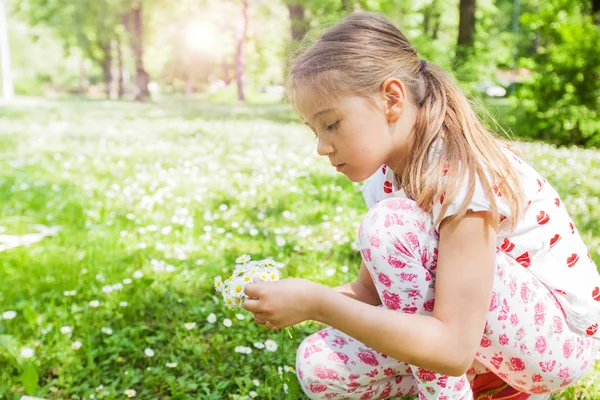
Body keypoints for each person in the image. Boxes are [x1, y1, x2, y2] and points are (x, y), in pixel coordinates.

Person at [242, 11, 600, 400]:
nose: (321, 147)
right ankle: (485, 384)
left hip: (555, 343)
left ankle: (477, 391)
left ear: (391, 99)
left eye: (331, 124)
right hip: (474, 334)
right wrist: (303, 299)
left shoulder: (458, 172)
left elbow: (452, 348)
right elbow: (368, 292)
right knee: (320, 365)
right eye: (315, 130)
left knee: (390, 225)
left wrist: (320, 303)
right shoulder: (385, 176)